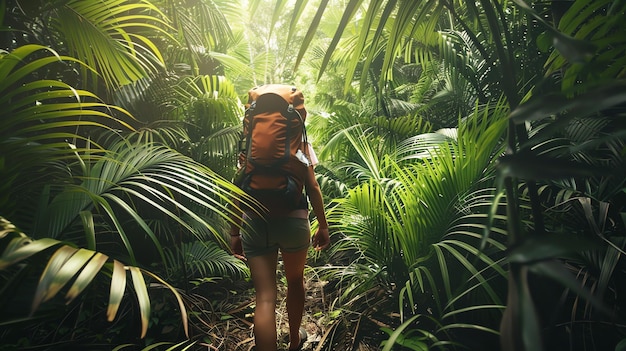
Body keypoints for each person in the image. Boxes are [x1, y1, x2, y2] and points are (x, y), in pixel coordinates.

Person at [229, 142, 330, 351]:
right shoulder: (301, 144)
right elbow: (313, 186)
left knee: (265, 296)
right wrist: (323, 225)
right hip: (294, 222)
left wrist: (234, 233)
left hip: (255, 224)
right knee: (295, 281)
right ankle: (294, 340)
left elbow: (237, 191)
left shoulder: (251, 146)